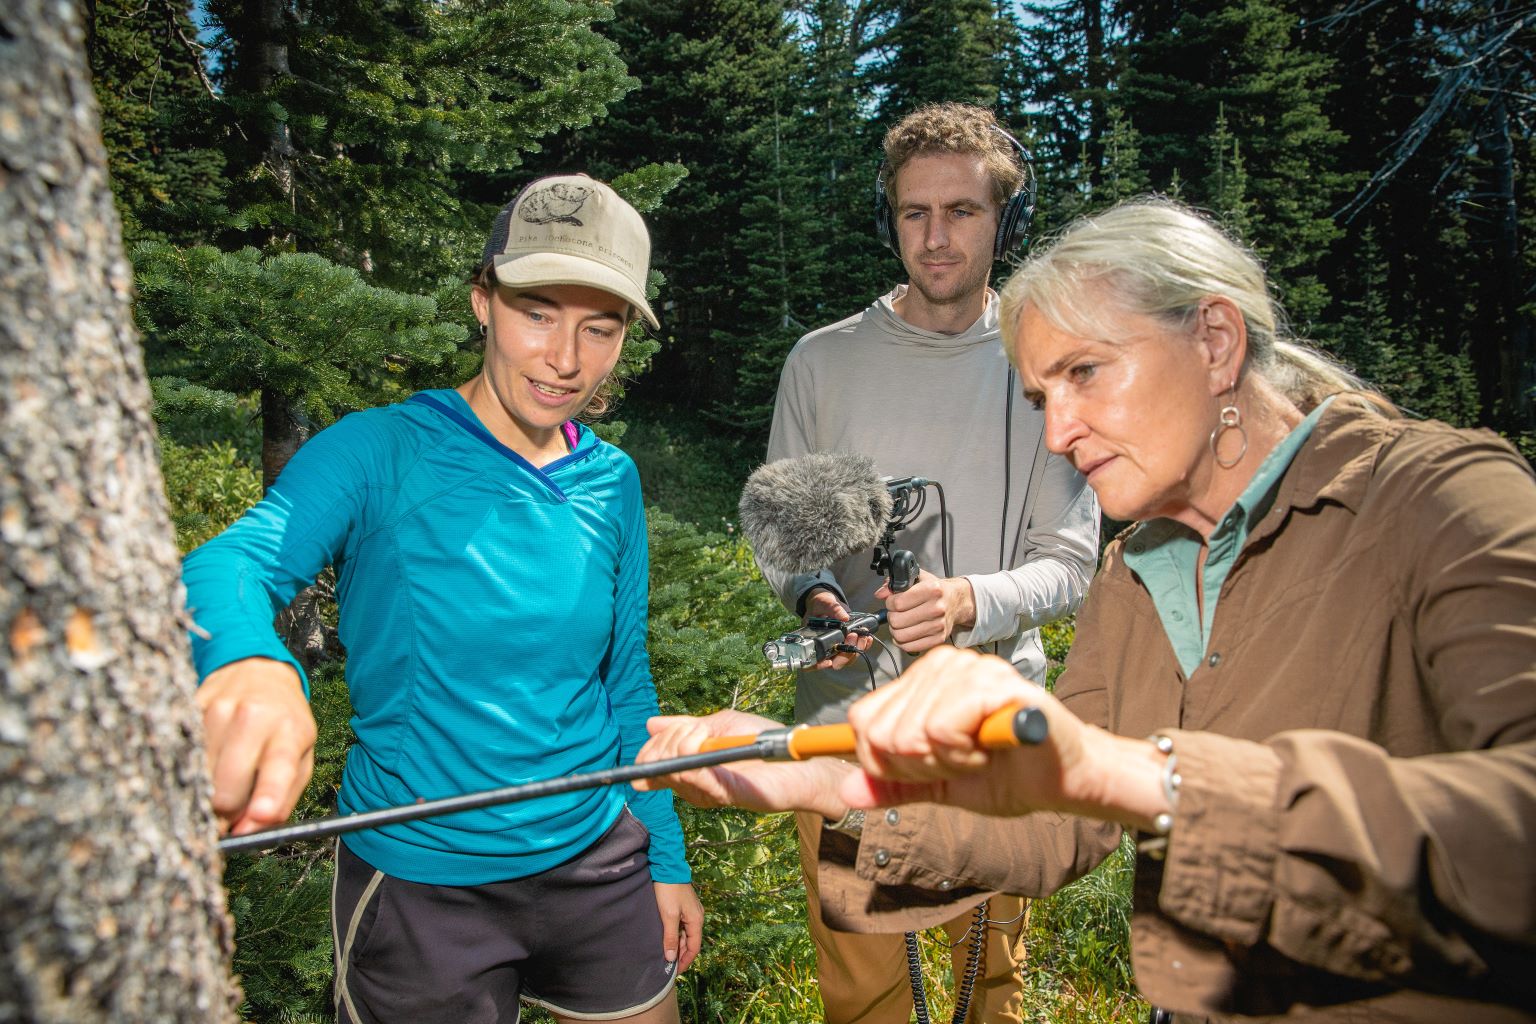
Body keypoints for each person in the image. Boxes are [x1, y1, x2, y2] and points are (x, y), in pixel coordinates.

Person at [639, 197, 1536, 1023]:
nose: (1057, 431)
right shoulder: (1134, 573)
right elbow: (1059, 817)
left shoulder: (1441, 499)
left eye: (1085, 374)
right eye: (1040, 398)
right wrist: (821, 783)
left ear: (1216, 340)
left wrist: (1131, 775)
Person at [186, 174, 703, 1024]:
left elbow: (625, 686)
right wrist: (249, 659)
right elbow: (229, 564)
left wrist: (668, 860)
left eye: (598, 329)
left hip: (597, 854)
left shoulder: (612, 482)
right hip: (422, 882)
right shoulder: (380, 450)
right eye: (538, 313)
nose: (565, 358)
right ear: (482, 302)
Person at [760, 102, 1099, 1022]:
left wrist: (966, 602)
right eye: (916, 213)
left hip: (993, 732)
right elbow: (785, 535)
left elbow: (1071, 562)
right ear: (889, 220)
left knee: (988, 987)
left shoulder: (1046, 367)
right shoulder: (823, 364)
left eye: (964, 211)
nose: (937, 237)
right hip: (846, 733)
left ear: (1008, 221)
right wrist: (817, 596)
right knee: (864, 995)